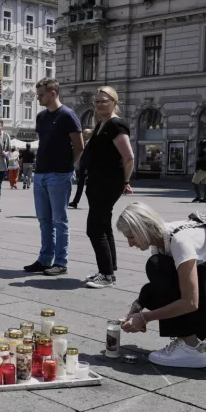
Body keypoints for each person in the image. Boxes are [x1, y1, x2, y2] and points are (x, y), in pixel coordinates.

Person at [116, 202, 206, 368]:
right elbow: (161, 288)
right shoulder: (164, 240)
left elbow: (190, 302)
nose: (130, 243)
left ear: (142, 228)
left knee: (158, 266)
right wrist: (138, 305)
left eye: (131, 236)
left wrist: (145, 318)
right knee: (162, 269)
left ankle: (189, 348)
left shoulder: (179, 241)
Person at [25, 78, 84, 276]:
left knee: (60, 220)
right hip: (40, 174)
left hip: (59, 175)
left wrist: (67, 165)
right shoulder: (41, 117)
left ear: (53, 93)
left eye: (41, 94)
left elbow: (79, 145)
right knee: (44, 220)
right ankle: (44, 259)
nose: (38, 98)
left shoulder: (68, 115)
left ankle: (60, 262)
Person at [83, 86, 134, 289]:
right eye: (97, 101)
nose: (99, 104)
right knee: (103, 225)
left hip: (107, 182)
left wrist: (126, 181)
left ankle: (106, 274)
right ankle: (109, 268)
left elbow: (129, 157)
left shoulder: (116, 125)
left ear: (114, 102)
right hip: (98, 181)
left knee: (94, 228)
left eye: (104, 100)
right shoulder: (102, 124)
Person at [69, 129, 93, 209]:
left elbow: (90, 156)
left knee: (89, 187)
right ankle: (75, 202)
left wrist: (87, 167)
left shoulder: (91, 143)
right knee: (80, 184)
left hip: (87, 167)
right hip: (83, 166)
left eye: (84, 134)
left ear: (88, 135)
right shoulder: (86, 143)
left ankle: (93, 203)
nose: (83, 135)